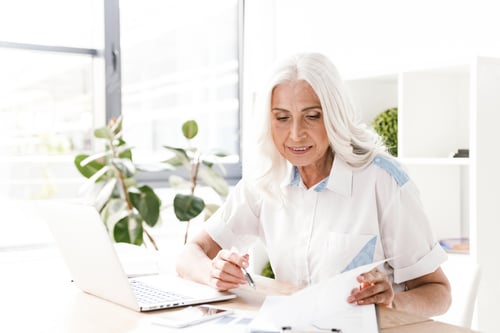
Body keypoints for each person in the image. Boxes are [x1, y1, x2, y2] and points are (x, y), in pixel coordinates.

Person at [176, 52, 451, 317]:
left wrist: (391, 302)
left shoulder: (383, 181)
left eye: (312, 116)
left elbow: (438, 293)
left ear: (334, 115)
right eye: (282, 118)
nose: (296, 134)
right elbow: (189, 255)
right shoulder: (266, 178)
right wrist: (213, 272)